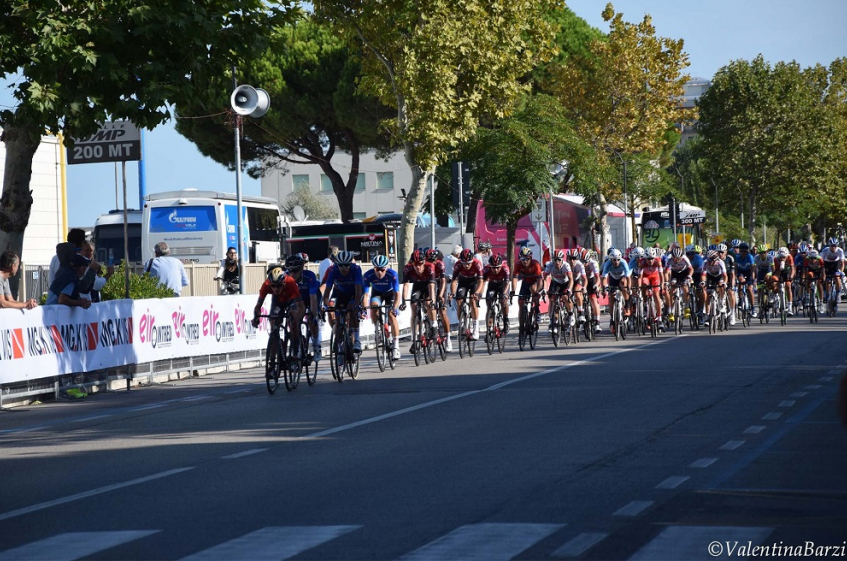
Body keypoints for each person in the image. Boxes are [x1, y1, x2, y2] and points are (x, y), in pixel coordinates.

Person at [252, 266, 305, 359]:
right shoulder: (266, 285)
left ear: (284, 283)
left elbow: (301, 306)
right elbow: (258, 306)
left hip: (291, 300)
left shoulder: (291, 283)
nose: (276, 289)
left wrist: (296, 320)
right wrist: (256, 317)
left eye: (279, 285)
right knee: (274, 324)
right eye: (273, 286)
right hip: (277, 301)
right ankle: (273, 358)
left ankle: (296, 347)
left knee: (292, 321)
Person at [320, 250, 364, 353]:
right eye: (341, 265)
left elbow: (358, 290)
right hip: (340, 293)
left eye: (346, 265)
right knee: (338, 316)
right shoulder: (333, 270)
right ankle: (339, 342)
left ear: (350, 264)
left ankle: (356, 340)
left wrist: (357, 305)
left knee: (352, 310)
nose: (344, 268)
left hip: (354, 293)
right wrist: (325, 305)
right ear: (337, 264)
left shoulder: (356, 269)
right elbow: (327, 291)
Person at [362, 254, 402, 360]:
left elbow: (397, 295)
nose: (379, 272)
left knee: (391, 315)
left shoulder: (392, 274)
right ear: (374, 268)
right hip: (377, 293)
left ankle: (396, 347)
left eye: (382, 269)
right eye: (377, 269)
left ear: (386, 268)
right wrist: (365, 309)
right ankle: (378, 329)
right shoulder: (368, 275)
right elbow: (365, 295)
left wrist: (395, 307)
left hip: (390, 294)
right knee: (374, 307)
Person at [285, 253, 322, 361]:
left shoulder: (309, 276)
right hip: (298, 299)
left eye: (295, 271)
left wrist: (314, 314)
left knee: (312, 320)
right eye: (290, 271)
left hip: (312, 297)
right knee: (293, 320)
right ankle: (297, 346)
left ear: (301, 269)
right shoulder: (286, 277)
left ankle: (316, 346)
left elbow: (313, 298)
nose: (292, 274)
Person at [400, 249, 437, 353]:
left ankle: (434, 325)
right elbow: (406, 285)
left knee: (429, 303)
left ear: (424, 262)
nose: (418, 267)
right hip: (417, 287)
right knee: (414, 309)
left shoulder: (430, 267)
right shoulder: (408, 268)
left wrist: (433, 301)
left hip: (428, 286)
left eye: (420, 264)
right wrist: (403, 301)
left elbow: (431, 286)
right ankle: (415, 338)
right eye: (415, 264)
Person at [450, 248, 484, 339]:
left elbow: (481, 281)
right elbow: (454, 281)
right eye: (464, 263)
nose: (466, 265)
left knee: (473, 301)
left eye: (469, 263)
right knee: (459, 301)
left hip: (474, 282)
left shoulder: (477, 263)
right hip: (463, 281)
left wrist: (477, 293)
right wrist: (452, 293)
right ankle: (461, 324)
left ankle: (475, 328)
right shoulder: (458, 264)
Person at [511, 246, 544, 334]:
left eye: (527, 259)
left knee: (533, 289)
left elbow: (540, 280)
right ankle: (521, 326)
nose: (525, 261)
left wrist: (537, 292)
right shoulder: (518, 264)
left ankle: (537, 311)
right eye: (523, 259)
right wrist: (513, 290)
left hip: (535, 282)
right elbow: (514, 278)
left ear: (530, 258)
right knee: (521, 303)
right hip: (525, 283)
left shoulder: (535, 264)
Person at [544, 249, 574, 332]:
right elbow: (545, 279)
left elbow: (571, 279)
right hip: (556, 282)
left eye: (559, 260)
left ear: (562, 260)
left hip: (565, 282)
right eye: (555, 260)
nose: (557, 262)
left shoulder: (566, 265)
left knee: (565, 297)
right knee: (553, 299)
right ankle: (553, 321)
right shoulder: (550, 265)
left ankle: (571, 314)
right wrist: (544, 289)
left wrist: (569, 289)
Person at [482, 253, 512, 334]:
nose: (495, 270)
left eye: (498, 267)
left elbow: (507, 283)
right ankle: (489, 330)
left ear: (501, 265)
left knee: (503, 301)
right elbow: (482, 282)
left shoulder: (505, 268)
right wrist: (479, 293)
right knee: (489, 305)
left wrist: (504, 294)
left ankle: (506, 320)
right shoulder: (486, 269)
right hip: (492, 285)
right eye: (493, 268)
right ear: (490, 266)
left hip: (503, 285)